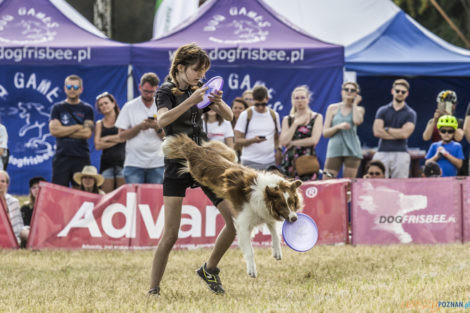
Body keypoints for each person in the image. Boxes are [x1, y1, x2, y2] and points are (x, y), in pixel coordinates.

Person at [150, 43, 235, 296]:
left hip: (202, 161)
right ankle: (153, 289)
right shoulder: (165, 91)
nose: (201, 76)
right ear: (180, 68)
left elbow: (229, 117)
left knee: (235, 221)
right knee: (171, 234)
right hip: (176, 163)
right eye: (197, 70)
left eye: (204, 71)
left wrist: (218, 103)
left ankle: (209, 269)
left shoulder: (199, 89)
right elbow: (162, 121)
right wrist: (191, 101)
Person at [115, 73, 165, 184]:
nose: (148, 94)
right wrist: (139, 127)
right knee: (134, 199)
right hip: (134, 163)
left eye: (151, 92)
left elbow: (168, 138)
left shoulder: (162, 106)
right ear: (139, 87)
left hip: (157, 163)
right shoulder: (129, 106)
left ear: (157, 88)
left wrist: (157, 127)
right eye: (145, 91)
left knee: (154, 199)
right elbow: (121, 136)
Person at [49, 75, 94, 187]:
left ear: (81, 89)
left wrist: (63, 130)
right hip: (61, 157)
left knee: (80, 193)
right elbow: (54, 131)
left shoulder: (87, 109)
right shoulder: (57, 108)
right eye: (69, 86)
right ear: (65, 88)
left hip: (81, 157)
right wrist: (78, 127)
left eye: (75, 87)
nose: (72, 89)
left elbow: (87, 133)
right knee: (59, 193)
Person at [372, 79, 417, 178]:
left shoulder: (410, 113)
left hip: (401, 152)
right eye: (397, 91)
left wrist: (387, 129)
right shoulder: (382, 110)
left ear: (407, 94)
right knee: (378, 182)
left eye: (403, 92)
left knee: (399, 185)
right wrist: (398, 133)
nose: (400, 93)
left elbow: (405, 134)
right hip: (382, 151)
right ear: (392, 91)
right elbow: (377, 132)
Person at [279, 85, 323, 180]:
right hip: (289, 161)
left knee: (308, 190)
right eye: (297, 98)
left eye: (302, 97)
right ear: (293, 100)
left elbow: (314, 140)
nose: (300, 100)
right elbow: (283, 142)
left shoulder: (316, 117)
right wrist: (295, 124)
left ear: (308, 99)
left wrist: (293, 143)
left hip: (307, 161)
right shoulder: (288, 119)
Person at [322, 82, 364, 179]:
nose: (349, 92)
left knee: (348, 184)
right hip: (335, 149)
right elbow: (325, 133)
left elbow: (357, 121)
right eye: (346, 89)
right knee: (327, 181)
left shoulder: (359, 109)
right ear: (342, 92)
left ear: (356, 94)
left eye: (352, 90)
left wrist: (355, 104)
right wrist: (337, 126)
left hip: (352, 150)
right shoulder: (332, 108)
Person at [234, 85, 282, 170]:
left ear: (267, 99)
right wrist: (253, 140)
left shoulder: (274, 115)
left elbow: (277, 138)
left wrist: (278, 151)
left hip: (270, 162)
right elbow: (237, 140)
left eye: (263, 104)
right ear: (253, 99)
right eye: (257, 104)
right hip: (249, 162)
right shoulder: (245, 115)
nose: (260, 107)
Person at [94, 92, 126, 193]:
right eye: (101, 105)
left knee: (122, 196)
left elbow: (124, 138)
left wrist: (106, 138)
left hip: (123, 162)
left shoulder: (122, 119)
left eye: (106, 103)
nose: (104, 106)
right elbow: (97, 145)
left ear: (113, 103)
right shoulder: (99, 124)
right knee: (106, 196)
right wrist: (117, 139)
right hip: (106, 164)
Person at [20, 176, 46, 247]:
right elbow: (25, 226)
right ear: (30, 191)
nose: (37, 190)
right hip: (31, 235)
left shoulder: (54, 205)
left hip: (49, 235)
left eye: (39, 187)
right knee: (24, 232)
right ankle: (37, 245)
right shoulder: (25, 208)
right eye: (33, 187)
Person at [0, 170, 24, 245]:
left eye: (3, 181)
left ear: (7, 184)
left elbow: (19, 226)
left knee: (25, 232)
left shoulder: (14, 202)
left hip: (13, 237)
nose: (0, 183)